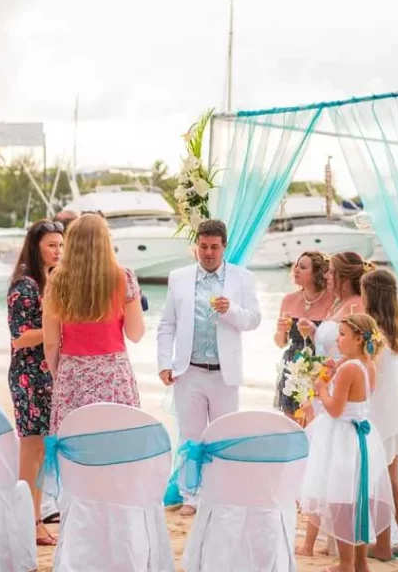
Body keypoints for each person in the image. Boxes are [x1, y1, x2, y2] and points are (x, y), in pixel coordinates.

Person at [157, 219, 261, 516]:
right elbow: (167, 324)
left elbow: (253, 320)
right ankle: (192, 496)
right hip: (188, 370)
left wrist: (232, 310)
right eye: (203, 247)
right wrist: (165, 362)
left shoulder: (243, 278)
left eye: (214, 247)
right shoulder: (178, 277)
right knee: (191, 436)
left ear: (224, 246)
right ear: (197, 246)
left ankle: (220, 493)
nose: (209, 253)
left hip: (224, 373)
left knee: (223, 435)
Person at [298, 313, 394, 572]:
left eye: (342, 335)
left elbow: (334, 408)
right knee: (357, 499)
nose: (337, 340)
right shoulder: (366, 364)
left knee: (340, 500)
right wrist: (334, 368)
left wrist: (321, 389)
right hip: (361, 436)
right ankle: (361, 563)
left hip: (341, 438)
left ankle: (345, 565)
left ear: (358, 339)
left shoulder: (349, 369)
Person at [44, 213, 144, 431]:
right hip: (113, 373)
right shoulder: (124, 277)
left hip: (72, 373)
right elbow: (136, 333)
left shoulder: (56, 280)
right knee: (115, 442)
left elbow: (51, 343)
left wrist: (60, 376)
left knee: (75, 445)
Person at [6, 219, 64, 547]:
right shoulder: (25, 285)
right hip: (29, 375)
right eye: (51, 245)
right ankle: (28, 522)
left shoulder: (49, 281)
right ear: (36, 247)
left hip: (47, 374)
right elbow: (19, 338)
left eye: (60, 245)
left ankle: (35, 520)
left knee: (41, 452)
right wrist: (60, 330)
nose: (58, 251)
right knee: (31, 450)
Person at [361, 268, 398, 560]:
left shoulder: (372, 331)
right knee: (393, 479)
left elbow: (366, 371)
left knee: (377, 482)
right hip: (397, 408)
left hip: (380, 411)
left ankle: (383, 545)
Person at [297, 251, 372, 422]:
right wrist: (314, 331)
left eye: (331, 272)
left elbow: (358, 350)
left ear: (343, 278)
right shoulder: (339, 303)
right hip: (325, 380)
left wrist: (329, 376)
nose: (326, 276)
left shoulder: (357, 306)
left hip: (339, 385)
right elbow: (332, 342)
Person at [273, 251, 333, 422]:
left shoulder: (332, 301)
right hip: (292, 367)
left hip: (319, 366)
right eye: (297, 266)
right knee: (292, 423)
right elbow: (280, 343)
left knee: (315, 421)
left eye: (303, 267)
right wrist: (281, 330)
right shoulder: (288, 300)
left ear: (317, 273)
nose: (296, 270)